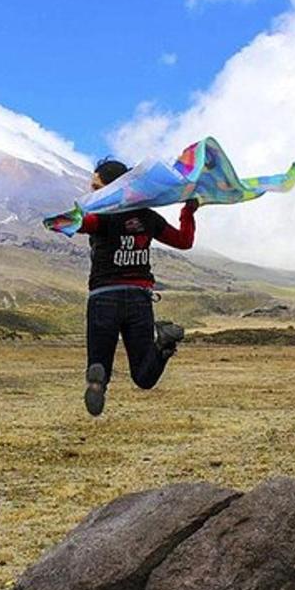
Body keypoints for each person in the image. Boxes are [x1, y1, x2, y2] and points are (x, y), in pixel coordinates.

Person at [59, 157, 198, 416]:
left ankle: (97, 382)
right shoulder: (148, 218)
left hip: (103, 299)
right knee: (144, 376)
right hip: (139, 300)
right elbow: (184, 241)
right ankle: (163, 346)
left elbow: (74, 223)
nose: (92, 192)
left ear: (111, 189)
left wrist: (59, 221)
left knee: (99, 362)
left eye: (96, 187)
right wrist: (187, 212)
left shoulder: (101, 218)